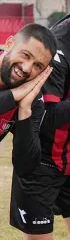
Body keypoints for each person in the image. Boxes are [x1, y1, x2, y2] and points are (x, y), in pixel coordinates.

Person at [0, 24, 56, 176]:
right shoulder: (19, 92)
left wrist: (24, 110)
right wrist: (13, 95)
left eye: (38, 65)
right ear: (9, 44)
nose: (26, 68)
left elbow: (25, 167)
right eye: (26, 55)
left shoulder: (31, 100)